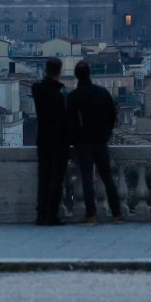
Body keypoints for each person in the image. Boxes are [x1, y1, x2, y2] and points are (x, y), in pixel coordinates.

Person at [66, 62, 123, 223]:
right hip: (101, 141)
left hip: (83, 143)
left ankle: (91, 215)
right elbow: (113, 116)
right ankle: (117, 214)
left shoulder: (73, 96)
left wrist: (74, 139)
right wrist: (107, 133)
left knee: (86, 178)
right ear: (90, 73)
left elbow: (70, 122)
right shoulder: (103, 93)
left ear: (76, 75)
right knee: (107, 178)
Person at [32, 58, 71, 226]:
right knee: (56, 179)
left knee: (44, 178)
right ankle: (52, 215)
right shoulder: (58, 94)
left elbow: (37, 85)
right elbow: (64, 120)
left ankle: (41, 214)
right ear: (60, 71)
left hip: (43, 139)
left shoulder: (38, 90)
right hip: (59, 141)